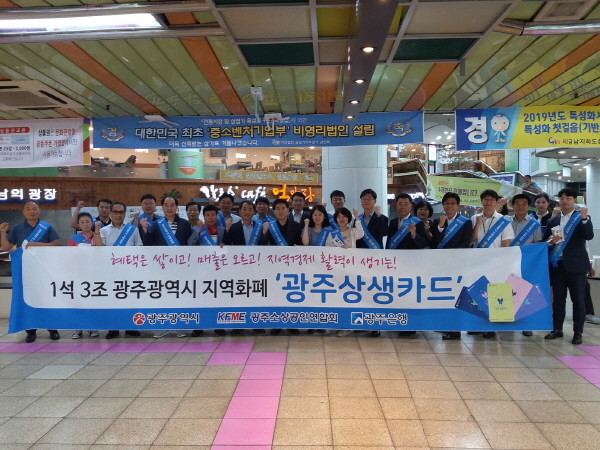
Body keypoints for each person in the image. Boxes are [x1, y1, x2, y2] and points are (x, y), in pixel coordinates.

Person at [0, 200, 60, 343]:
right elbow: (7, 248)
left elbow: (56, 243)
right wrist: (2, 233)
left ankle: (52, 328)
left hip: (45, 269)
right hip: (25, 270)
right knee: (28, 298)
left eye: (34, 208)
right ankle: (31, 330)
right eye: (28, 209)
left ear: (39, 211)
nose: (31, 211)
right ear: (23, 212)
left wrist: (35, 244)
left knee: (48, 298)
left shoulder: (46, 227)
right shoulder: (17, 228)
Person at [543, 188, 594, 345]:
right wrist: (549, 242)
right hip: (557, 266)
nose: (564, 201)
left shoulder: (581, 218)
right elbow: (545, 242)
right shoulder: (553, 220)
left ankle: (578, 332)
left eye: (568, 198)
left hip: (576, 267)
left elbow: (589, 236)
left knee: (578, 301)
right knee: (558, 300)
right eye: (562, 198)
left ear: (574, 200)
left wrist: (584, 218)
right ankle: (557, 329)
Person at [141, 197, 192, 339]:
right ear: (162, 207)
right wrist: (145, 229)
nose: (169, 208)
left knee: (179, 297)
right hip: (161, 268)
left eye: (172, 205)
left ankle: (180, 327)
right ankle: (162, 327)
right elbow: (148, 245)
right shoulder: (155, 225)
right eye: (166, 205)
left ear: (177, 207)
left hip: (180, 268)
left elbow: (189, 245)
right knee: (163, 297)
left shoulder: (185, 224)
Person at [95, 202, 143, 340]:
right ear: (110, 213)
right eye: (115, 212)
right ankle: (113, 328)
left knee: (130, 299)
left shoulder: (132, 230)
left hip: (129, 271)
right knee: (112, 300)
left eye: (121, 212)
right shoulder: (104, 230)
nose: (118, 215)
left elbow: (139, 248)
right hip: (111, 272)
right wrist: (96, 233)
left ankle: (130, 327)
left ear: (125, 213)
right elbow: (99, 250)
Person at [471, 189, 515, 339]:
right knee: (479, 293)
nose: (488, 202)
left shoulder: (504, 220)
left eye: (491, 200)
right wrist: (478, 224)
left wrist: (503, 263)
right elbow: (471, 240)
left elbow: (506, 243)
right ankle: (478, 325)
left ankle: (492, 326)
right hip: (477, 262)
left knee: (494, 293)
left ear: (497, 202)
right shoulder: (474, 218)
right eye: (485, 199)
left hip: (496, 263)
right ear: (481, 201)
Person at [431, 193, 473, 340]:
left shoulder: (465, 222)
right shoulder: (437, 221)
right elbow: (435, 242)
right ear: (443, 205)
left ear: (457, 205)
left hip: (457, 265)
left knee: (455, 296)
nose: (449, 206)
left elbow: (465, 243)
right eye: (446, 203)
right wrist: (440, 227)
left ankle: (455, 330)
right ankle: (445, 326)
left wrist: (451, 257)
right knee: (442, 296)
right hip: (440, 265)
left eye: (452, 203)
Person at [259, 198, 303, 335]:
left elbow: (301, 245)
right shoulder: (270, 226)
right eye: (277, 209)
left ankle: (292, 324)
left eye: (283, 208)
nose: (280, 211)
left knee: (292, 295)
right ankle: (276, 324)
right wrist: (264, 232)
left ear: (288, 210)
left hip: (292, 267)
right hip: (275, 267)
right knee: (276, 295)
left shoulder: (296, 225)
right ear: (273, 211)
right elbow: (262, 245)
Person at [223, 200, 267, 335]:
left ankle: (256, 323)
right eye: (244, 209)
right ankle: (238, 324)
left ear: (253, 212)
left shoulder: (259, 227)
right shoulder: (233, 227)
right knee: (239, 296)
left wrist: (265, 233)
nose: (247, 212)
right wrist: (226, 230)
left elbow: (264, 246)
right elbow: (226, 245)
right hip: (239, 268)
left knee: (256, 295)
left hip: (256, 268)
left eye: (249, 209)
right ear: (239, 211)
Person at [188, 204, 226, 337]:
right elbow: (190, 244)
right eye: (208, 215)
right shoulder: (197, 229)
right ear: (203, 216)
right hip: (202, 270)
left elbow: (230, 247)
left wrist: (225, 247)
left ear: (217, 216)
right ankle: (199, 326)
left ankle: (218, 325)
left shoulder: (223, 230)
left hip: (219, 270)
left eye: (213, 215)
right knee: (201, 298)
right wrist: (198, 230)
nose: (211, 217)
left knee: (218, 298)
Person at [510, 193, 543, 338]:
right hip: (508, 263)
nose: (520, 206)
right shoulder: (506, 222)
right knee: (508, 292)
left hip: (526, 263)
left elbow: (537, 245)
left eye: (524, 204)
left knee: (525, 294)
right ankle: (507, 321)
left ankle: (527, 325)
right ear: (512, 205)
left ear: (529, 206)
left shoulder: (534, 224)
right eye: (517, 203)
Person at [68, 212, 100, 339]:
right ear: (78, 225)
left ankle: (93, 327)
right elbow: (69, 257)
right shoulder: (73, 239)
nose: (85, 224)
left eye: (87, 221)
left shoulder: (98, 235)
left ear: (92, 222)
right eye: (82, 222)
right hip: (78, 274)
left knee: (93, 302)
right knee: (79, 302)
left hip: (95, 274)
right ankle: (78, 328)